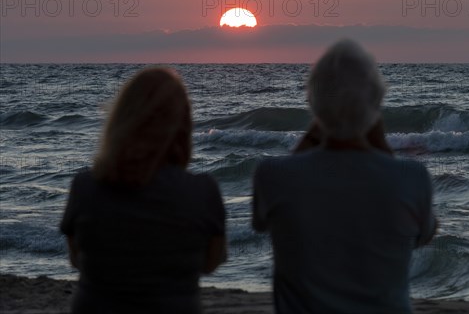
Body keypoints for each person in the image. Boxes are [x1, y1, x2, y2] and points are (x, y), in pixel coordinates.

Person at [253, 40, 437, 313]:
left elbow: (263, 223)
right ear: (376, 103)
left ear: (313, 103)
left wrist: (321, 125)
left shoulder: (273, 176)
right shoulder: (412, 177)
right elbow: (424, 235)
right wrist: (381, 144)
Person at [60, 67, 226, 314]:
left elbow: (77, 259)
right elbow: (211, 264)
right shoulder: (202, 190)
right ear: (183, 124)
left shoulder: (85, 186)